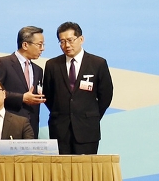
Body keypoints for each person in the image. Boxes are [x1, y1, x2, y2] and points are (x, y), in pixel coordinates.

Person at [42, 22, 114, 154]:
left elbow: (106, 95)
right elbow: (48, 95)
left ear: (81, 39)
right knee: (62, 172)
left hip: (87, 129)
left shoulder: (98, 63)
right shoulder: (52, 65)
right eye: (62, 42)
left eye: (70, 40)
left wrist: (91, 115)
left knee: (85, 172)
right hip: (60, 129)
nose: (66, 45)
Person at [0, 26, 46, 136]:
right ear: (25, 45)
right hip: (8, 125)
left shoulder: (38, 70)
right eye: (39, 44)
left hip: (31, 127)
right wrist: (22, 98)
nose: (42, 48)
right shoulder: (2, 63)